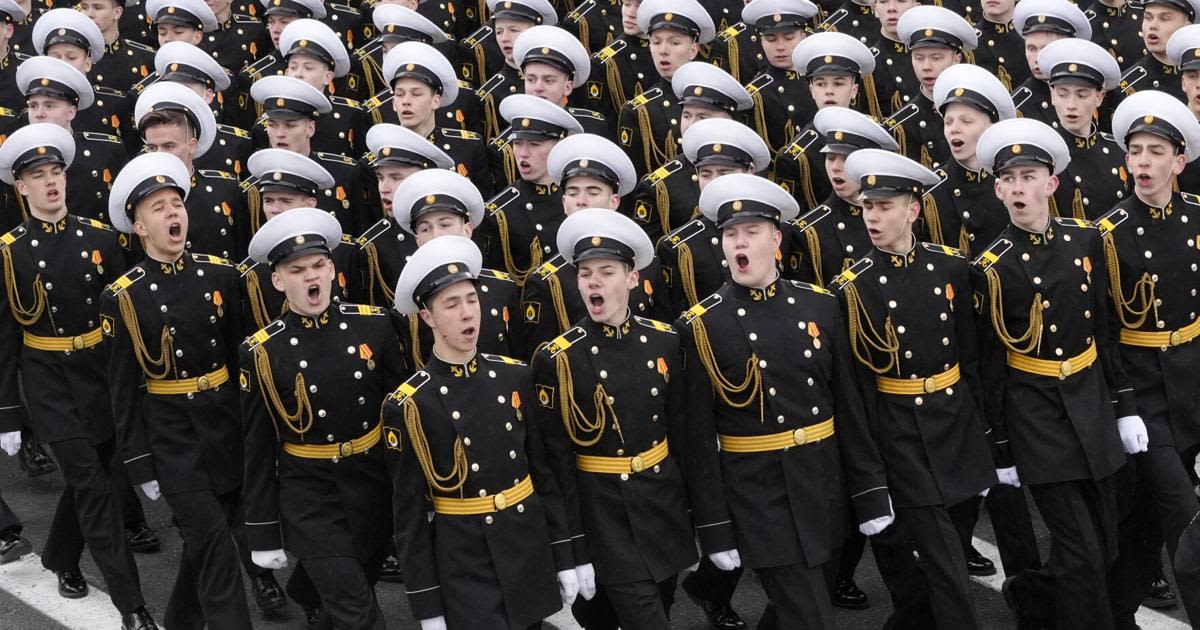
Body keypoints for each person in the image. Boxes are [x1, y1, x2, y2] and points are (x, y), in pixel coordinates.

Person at [677, 173, 891, 629]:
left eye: (751, 232)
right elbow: (697, 439)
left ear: (775, 238)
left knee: (796, 609)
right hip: (759, 494)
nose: (740, 241)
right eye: (731, 234)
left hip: (824, 483)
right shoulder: (701, 326)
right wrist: (714, 529)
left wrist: (869, 493)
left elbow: (848, 407)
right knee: (811, 615)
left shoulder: (820, 305)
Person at [974, 117, 1144, 630]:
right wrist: (1000, 448)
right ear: (998, 188)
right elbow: (989, 368)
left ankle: (1030, 592)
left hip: (1091, 402)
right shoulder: (989, 267)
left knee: (1108, 544)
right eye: (1010, 179)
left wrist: (1125, 407)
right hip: (1036, 415)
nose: (1019, 187)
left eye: (1030, 176)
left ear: (1052, 184)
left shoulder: (1085, 241)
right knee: (1083, 554)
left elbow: (1107, 329)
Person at [0, 124, 157, 630]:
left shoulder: (101, 239)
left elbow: (124, 318)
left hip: (100, 372)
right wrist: (7, 412)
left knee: (101, 475)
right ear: (19, 187)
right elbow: (5, 337)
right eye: (37, 176)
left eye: (55, 173)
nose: (50, 183)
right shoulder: (9, 252)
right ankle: (132, 605)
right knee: (92, 482)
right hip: (46, 378)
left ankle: (62, 556)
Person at [836, 147, 999, 629]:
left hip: (956, 423)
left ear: (913, 208)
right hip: (901, 431)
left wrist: (986, 430)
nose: (873, 216)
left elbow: (970, 358)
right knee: (947, 563)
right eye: (868, 206)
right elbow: (856, 389)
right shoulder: (853, 287)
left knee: (948, 546)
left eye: (884, 206)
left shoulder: (950, 266)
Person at [384, 235, 576, 630]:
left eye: (472, 300)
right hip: (465, 560)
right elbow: (409, 518)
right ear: (428, 318)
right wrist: (427, 606)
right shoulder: (409, 404)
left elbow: (543, 474)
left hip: (525, 543)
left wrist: (565, 554)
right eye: (451, 305)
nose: (467, 313)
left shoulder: (515, 375)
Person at [101, 152, 253, 630]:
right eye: (158, 208)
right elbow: (123, 390)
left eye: (176, 204)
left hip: (225, 426)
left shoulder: (222, 276)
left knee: (209, 544)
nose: (173, 214)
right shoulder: (124, 296)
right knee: (213, 545)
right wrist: (138, 462)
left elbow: (240, 362)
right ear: (139, 227)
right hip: (172, 438)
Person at [530, 208, 696, 629]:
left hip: (661, 506)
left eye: (606, 271)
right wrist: (570, 548)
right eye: (585, 274)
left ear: (632, 278)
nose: (593, 283)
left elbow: (681, 436)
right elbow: (556, 463)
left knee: (639, 605)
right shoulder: (560, 359)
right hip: (603, 516)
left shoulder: (665, 341)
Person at [239, 207, 400, 630]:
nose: (311, 277)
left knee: (343, 607)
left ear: (332, 269)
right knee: (361, 614)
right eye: (297, 270)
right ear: (277, 280)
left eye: (317, 266)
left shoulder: (374, 327)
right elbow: (257, 444)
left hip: (370, 484)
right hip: (310, 495)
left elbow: (400, 416)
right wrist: (262, 531)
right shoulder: (262, 351)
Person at [1098, 91, 1200, 627]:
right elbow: (1106, 334)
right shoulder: (1108, 235)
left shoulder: (1197, 219)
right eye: (1135, 150)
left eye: (1155, 151)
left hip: (1194, 386)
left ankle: (1113, 613)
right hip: (1145, 399)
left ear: (1179, 162)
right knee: (1187, 522)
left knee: (1141, 524)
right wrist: (1125, 405)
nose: (1142, 161)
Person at [520, 132, 669, 360]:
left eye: (593, 192)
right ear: (563, 202)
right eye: (572, 192)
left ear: (614, 202)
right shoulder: (546, 282)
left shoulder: (646, 266)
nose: (581, 200)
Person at [391, 168, 521, 366]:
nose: (436, 236)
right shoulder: (408, 311)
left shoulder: (503, 289)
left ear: (467, 230)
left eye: (445, 224)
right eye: (426, 229)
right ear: (417, 241)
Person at [133, 81, 251, 261]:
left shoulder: (226, 190)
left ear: (192, 145)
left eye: (169, 146)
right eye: (152, 147)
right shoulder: (138, 199)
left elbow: (242, 252)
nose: (160, 155)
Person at [473, 93, 583, 286]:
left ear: (559, 144)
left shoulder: (582, 197)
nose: (523, 153)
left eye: (534, 144)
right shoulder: (499, 214)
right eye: (517, 143)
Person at [249, 74, 375, 236]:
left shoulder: (344, 174)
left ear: (310, 128)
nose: (280, 134)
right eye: (272, 125)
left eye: (290, 125)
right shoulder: (255, 185)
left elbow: (359, 236)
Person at [356, 122, 455, 306]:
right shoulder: (375, 247)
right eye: (380, 178)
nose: (384, 188)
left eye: (396, 177)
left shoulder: (455, 226)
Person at [618, 0, 715, 177]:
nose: (663, 50)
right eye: (656, 42)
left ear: (693, 50)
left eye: (674, 43)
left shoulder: (717, 98)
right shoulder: (639, 112)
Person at [1037, 38, 1129, 222]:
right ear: (1052, 95)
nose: (1071, 105)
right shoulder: (1042, 153)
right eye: (1063, 94)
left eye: (1082, 95)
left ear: (1099, 97)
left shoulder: (1118, 149)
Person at [889, 5, 976, 169]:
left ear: (957, 59)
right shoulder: (901, 126)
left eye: (936, 58)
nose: (926, 67)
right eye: (919, 58)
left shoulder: (979, 112)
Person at [740, 0, 820, 158]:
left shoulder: (821, 79)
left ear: (803, 37)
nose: (780, 46)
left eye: (789, 37)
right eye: (771, 39)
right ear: (761, 42)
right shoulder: (757, 96)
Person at [1009, 0, 1092, 125]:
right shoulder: (1017, 106)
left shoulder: (1091, 92)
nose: (1037, 58)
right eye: (1031, 48)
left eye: (1046, 49)